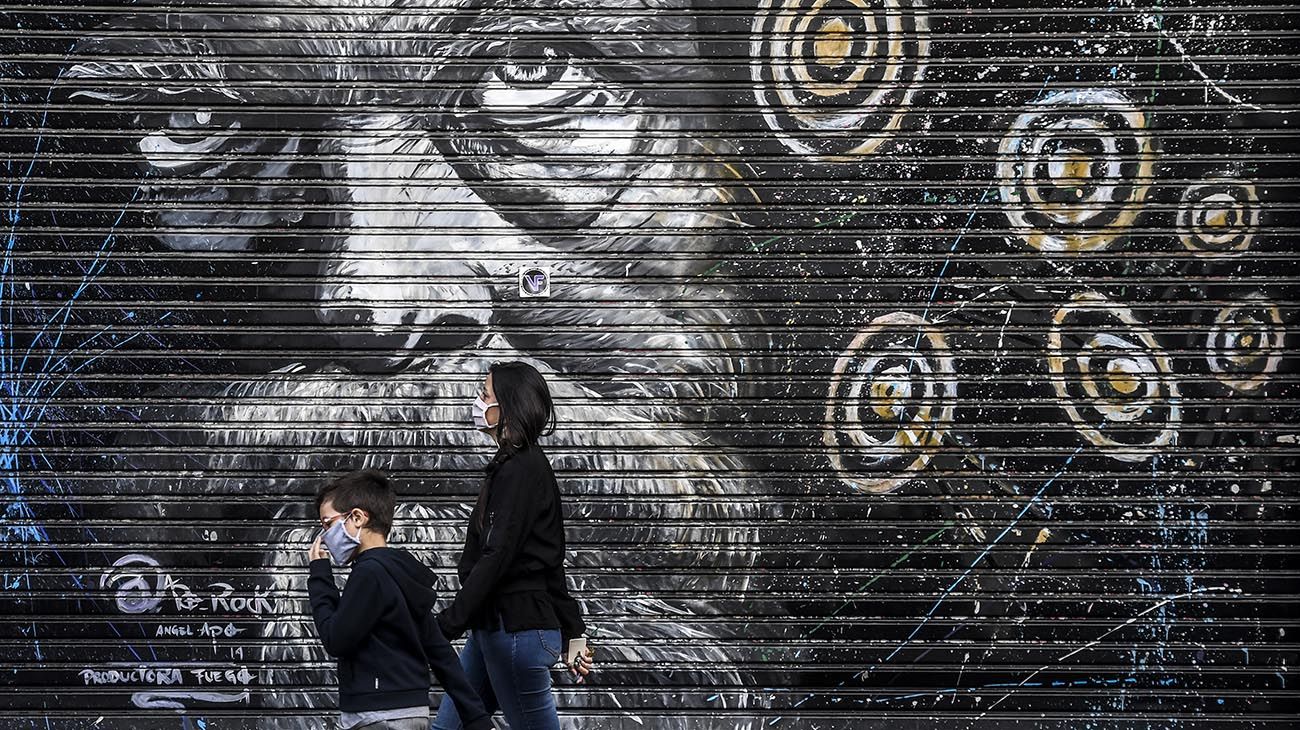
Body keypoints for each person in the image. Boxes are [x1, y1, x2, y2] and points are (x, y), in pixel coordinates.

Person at [432, 361, 596, 730]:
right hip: (495, 627)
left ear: (508, 405)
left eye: (485, 395)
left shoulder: (521, 470)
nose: (477, 401)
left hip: (515, 631)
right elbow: (548, 559)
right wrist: (574, 630)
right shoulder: (519, 466)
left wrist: (445, 625)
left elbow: (498, 556)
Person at [308, 469, 494, 730]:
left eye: (328, 524)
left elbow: (335, 639)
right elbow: (438, 650)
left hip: (377, 714)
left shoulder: (369, 574)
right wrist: (476, 717)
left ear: (358, 517)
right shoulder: (399, 572)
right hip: (411, 713)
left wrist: (320, 577)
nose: (323, 536)